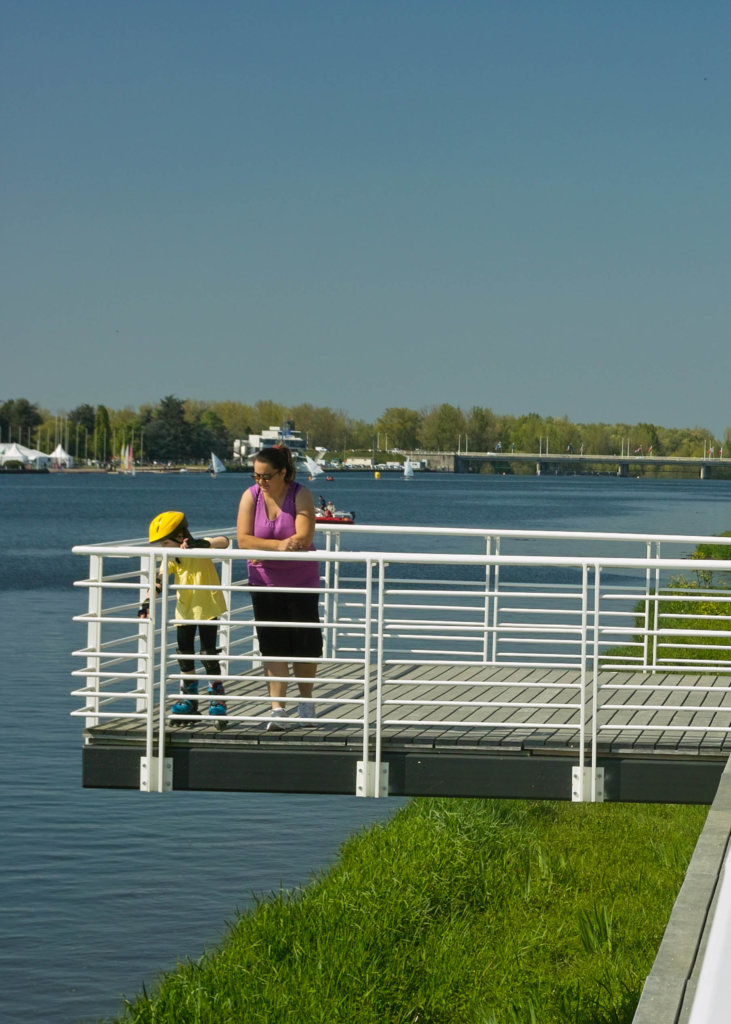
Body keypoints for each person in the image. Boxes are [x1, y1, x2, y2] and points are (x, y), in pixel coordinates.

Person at [236, 445, 322, 730]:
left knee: (305, 645)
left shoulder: (301, 494)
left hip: (301, 582)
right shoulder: (250, 497)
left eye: (266, 476)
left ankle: (306, 702)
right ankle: (277, 710)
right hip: (264, 581)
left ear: (283, 473)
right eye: (256, 476)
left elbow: (304, 538)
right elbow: (244, 541)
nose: (260, 482)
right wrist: (278, 546)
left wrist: (271, 547)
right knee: (272, 646)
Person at [139, 511, 229, 723]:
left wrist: (200, 544)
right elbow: (159, 580)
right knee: (184, 653)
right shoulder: (171, 557)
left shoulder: (200, 547)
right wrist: (147, 603)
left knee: (208, 654)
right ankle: (189, 700)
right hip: (184, 610)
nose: (163, 548)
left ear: (180, 536)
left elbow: (224, 542)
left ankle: (217, 701)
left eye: (165, 543)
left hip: (208, 607)